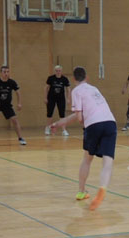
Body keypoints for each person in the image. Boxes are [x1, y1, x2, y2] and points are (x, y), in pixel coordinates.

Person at [50, 66, 117, 211]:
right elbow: (79, 114)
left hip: (94, 125)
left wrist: (86, 122)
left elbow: (79, 117)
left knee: (87, 158)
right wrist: (59, 123)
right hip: (111, 123)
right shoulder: (94, 89)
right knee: (107, 161)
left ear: (74, 78)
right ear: (86, 77)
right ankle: (102, 189)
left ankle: (81, 191)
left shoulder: (76, 91)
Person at [44, 65, 71, 137]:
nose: (58, 72)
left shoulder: (64, 79)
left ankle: (64, 130)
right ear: (55, 71)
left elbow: (68, 89)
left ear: (61, 71)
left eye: (59, 71)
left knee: (62, 114)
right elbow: (46, 88)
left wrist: (68, 98)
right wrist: (45, 98)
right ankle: (48, 128)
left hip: (61, 99)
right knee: (49, 114)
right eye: (57, 71)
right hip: (51, 98)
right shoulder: (51, 78)